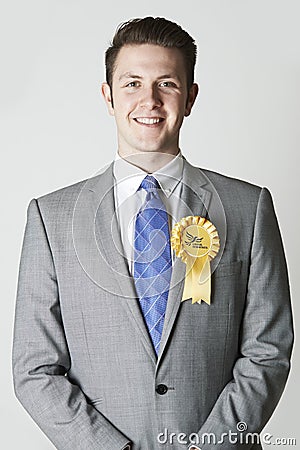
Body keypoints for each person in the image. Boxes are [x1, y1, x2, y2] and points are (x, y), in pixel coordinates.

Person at [12, 17, 293, 450]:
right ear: (107, 96)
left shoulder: (247, 207)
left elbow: (268, 350)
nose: (150, 100)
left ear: (191, 96)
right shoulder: (51, 218)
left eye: (167, 83)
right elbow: (34, 370)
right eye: (132, 84)